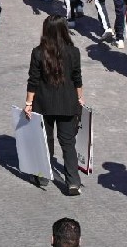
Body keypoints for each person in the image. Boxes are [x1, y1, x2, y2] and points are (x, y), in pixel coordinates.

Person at [23, 15, 84, 195]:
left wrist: (28, 103)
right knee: (68, 143)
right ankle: (73, 182)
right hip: (67, 103)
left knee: (45, 141)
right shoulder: (74, 52)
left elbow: (33, 80)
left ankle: (43, 175)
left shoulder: (38, 52)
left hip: (43, 104)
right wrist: (80, 98)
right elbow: (77, 78)